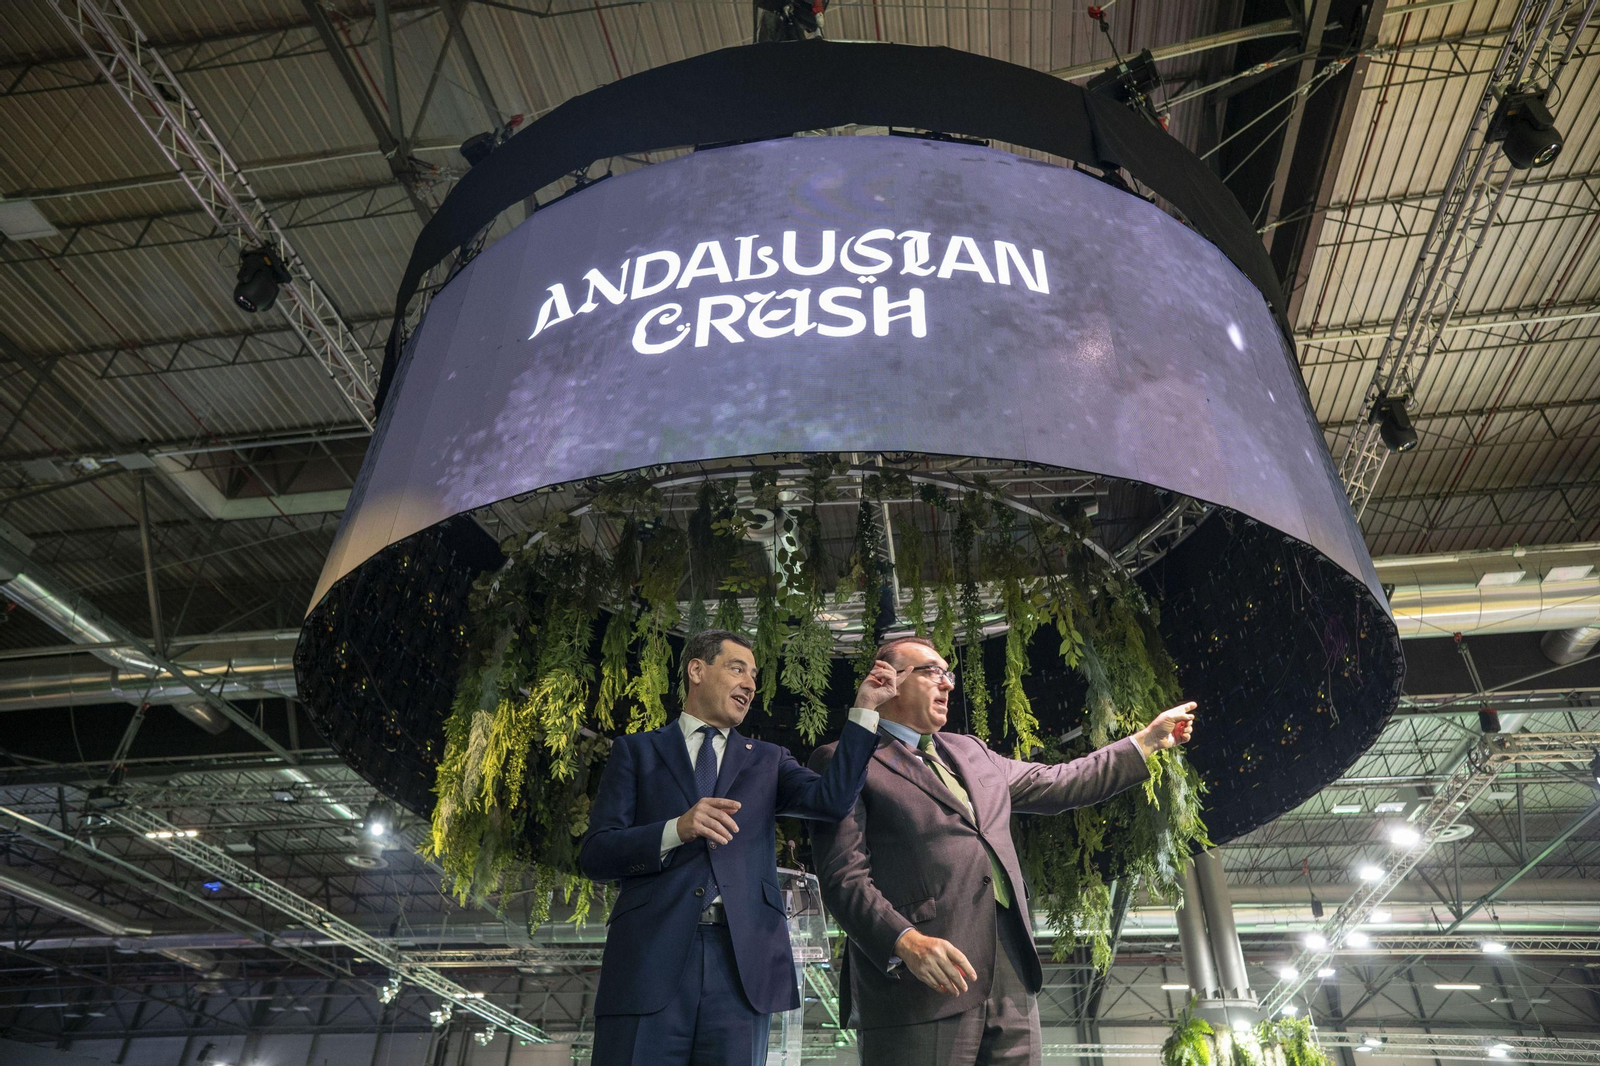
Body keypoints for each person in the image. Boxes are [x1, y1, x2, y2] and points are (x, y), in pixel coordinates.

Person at [809, 635, 1196, 1066]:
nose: (948, 684)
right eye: (932, 672)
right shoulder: (844, 762)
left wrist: (1143, 742)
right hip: (919, 980)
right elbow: (844, 878)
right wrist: (905, 942)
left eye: (948, 673)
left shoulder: (971, 751)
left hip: (1010, 974)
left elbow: (1060, 781)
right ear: (887, 681)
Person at [579, 628, 898, 1066]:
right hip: (647, 961)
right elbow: (596, 853)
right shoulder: (636, 752)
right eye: (737, 668)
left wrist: (864, 711)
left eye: (754, 674)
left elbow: (833, 800)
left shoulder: (769, 759)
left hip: (743, 964)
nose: (750, 683)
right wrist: (676, 828)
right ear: (696, 669)